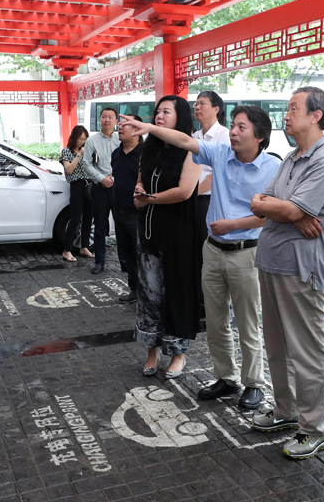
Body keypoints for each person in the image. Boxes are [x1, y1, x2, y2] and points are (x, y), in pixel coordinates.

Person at [121, 104, 281, 410]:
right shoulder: (220, 154)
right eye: (232, 125)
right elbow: (184, 140)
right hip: (213, 249)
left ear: (260, 136)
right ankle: (226, 378)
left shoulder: (273, 168)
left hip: (246, 253)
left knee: (247, 322)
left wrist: (232, 225)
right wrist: (150, 128)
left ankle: (253, 383)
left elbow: (271, 215)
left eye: (242, 127)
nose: (233, 132)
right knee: (217, 321)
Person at [249, 86, 324, 460]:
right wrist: (285, 209)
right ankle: (286, 410)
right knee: (277, 346)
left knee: (306, 351)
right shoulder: (291, 157)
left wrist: (287, 209)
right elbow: (260, 203)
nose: (286, 116)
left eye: (293, 108)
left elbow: (288, 210)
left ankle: (316, 427)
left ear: (316, 115)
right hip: (272, 261)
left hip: (302, 268)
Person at [120, 96, 202, 379]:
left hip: (178, 235)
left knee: (176, 293)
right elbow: (140, 182)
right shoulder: (149, 149)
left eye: (167, 112)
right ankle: (151, 351)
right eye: (158, 112)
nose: (159, 116)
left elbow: (184, 191)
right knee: (149, 295)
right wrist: (139, 193)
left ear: (180, 117)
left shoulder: (191, 150)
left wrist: (149, 199)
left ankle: (178, 353)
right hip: (149, 233)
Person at [83, 107, 120, 275]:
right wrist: (101, 178)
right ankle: (99, 261)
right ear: (100, 120)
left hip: (118, 187)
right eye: (104, 117)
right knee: (99, 226)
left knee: (122, 224)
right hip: (100, 187)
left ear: (116, 121)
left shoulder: (121, 139)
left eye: (110, 117)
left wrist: (115, 177)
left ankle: (126, 260)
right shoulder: (92, 141)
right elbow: (86, 164)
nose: (107, 120)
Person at [110, 116, 143, 303]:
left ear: (137, 130)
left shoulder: (145, 154)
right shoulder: (116, 153)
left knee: (141, 254)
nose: (119, 129)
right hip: (119, 212)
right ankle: (134, 289)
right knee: (127, 253)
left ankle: (147, 291)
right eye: (119, 126)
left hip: (137, 214)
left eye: (125, 126)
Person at [192, 91, 230, 244]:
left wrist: (192, 195)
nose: (197, 107)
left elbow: (218, 173)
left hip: (209, 199)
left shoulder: (224, 136)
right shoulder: (195, 137)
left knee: (206, 240)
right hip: (193, 196)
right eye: (196, 104)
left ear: (216, 109)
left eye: (202, 103)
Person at [59, 126, 94, 263]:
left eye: (85, 139)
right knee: (75, 218)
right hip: (76, 186)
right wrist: (79, 155)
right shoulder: (66, 152)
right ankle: (66, 250)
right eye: (80, 139)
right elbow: (69, 169)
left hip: (89, 185)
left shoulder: (88, 150)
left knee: (88, 218)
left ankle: (84, 247)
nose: (82, 142)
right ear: (74, 138)